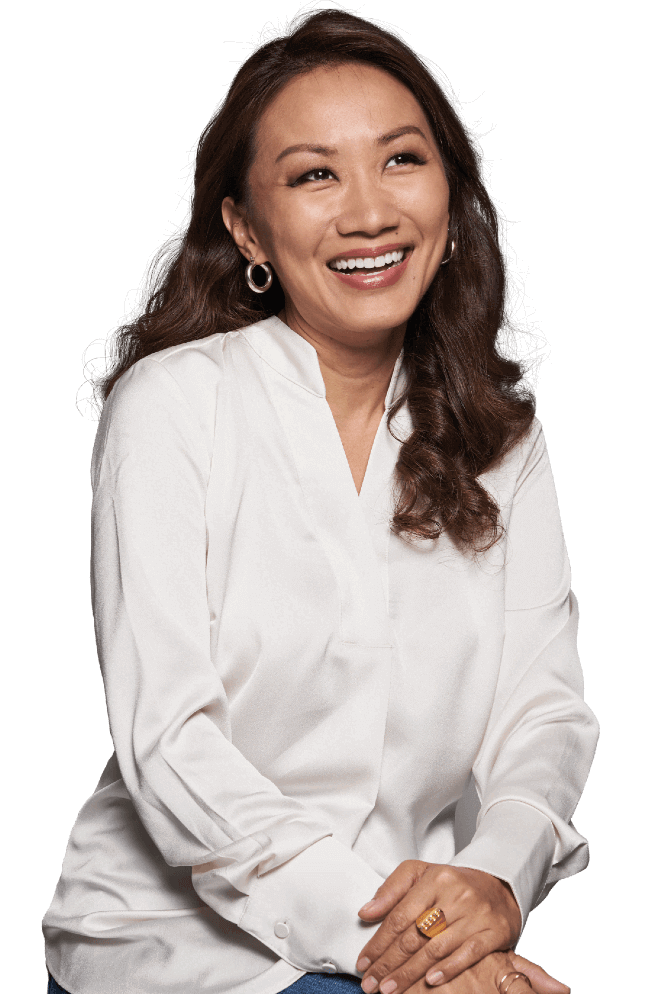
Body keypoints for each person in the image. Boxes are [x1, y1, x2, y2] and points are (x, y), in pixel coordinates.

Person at [43, 6, 598, 994]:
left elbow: (541, 715)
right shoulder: (173, 407)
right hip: (178, 954)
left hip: (418, 934)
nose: (368, 212)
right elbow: (171, 744)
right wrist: (420, 947)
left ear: (450, 199)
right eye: (313, 175)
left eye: (400, 160)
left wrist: (494, 884)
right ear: (246, 227)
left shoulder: (504, 440)